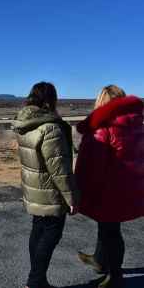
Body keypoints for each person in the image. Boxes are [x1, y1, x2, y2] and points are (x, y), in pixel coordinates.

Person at [75, 85, 144, 288]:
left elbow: (93, 167)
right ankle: (99, 260)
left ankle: (115, 275)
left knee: (111, 231)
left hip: (109, 190)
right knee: (107, 227)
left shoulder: (102, 128)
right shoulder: (137, 124)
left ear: (102, 103)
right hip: (130, 187)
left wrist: (83, 190)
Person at [13, 82, 79, 288]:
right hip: (50, 192)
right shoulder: (50, 128)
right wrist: (71, 198)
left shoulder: (25, 123)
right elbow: (58, 169)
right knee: (51, 235)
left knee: (38, 231)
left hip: (34, 188)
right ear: (51, 99)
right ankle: (35, 282)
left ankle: (38, 280)